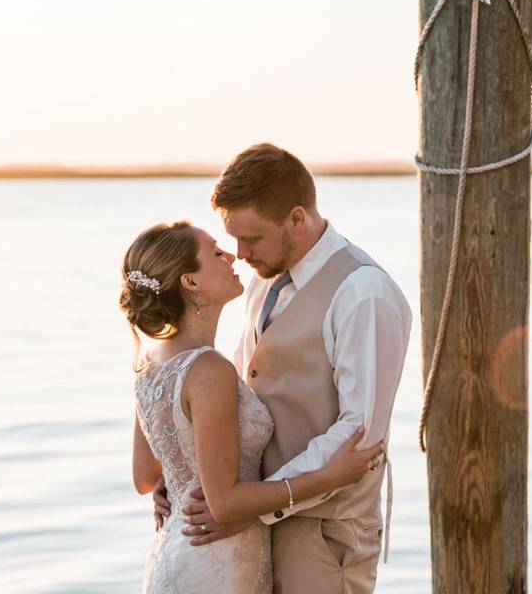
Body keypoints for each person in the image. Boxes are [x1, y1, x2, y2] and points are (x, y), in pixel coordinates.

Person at [153, 144, 412, 593]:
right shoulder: (263, 283)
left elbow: (361, 435)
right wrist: (187, 470)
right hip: (252, 524)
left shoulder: (362, 293)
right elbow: (241, 389)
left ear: (296, 218)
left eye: (251, 238)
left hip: (326, 534)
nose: (238, 253)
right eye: (232, 238)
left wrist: (248, 505)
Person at [121, 220, 385, 593]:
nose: (231, 254)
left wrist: (182, 477)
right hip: (217, 565)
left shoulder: (152, 360)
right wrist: (330, 477)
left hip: (177, 553)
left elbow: (146, 477)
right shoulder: (209, 370)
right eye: (215, 252)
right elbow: (226, 506)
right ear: (190, 282)